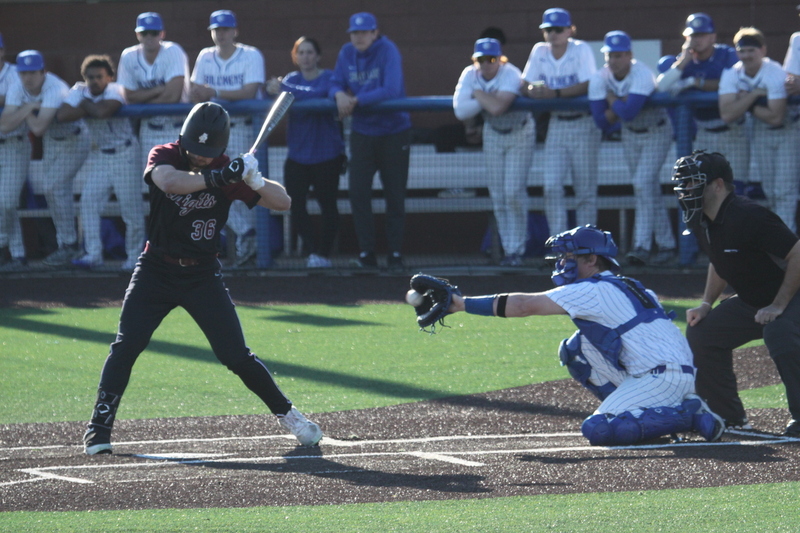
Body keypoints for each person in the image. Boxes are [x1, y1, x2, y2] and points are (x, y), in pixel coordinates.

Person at [82, 101, 322, 455]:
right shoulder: (166, 155)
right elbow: (169, 182)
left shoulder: (227, 169)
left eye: (208, 154)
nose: (199, 157)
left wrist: (254, 179)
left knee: (236, 356)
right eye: (194, 150)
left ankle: (290, 417)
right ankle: (98, 427)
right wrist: (218, 177)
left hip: (202, 275)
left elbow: (283, 202)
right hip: (155, 270)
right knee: (126, 345)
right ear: (183, 139)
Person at [442, 224, 724, 445]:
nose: (563, 263)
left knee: (598, 429)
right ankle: (647, 414)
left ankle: (690, 414)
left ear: (591, 259)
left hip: (661, 377)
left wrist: (462, 304)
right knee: (577, 349)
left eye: (569, 257)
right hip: (667, 369)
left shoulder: (591, 289)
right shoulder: (631, 285)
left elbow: (524, 306)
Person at [674, 150, 800, 436]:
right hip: (755, 301)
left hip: (792, 296)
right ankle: (728, 418)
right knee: (703, 333)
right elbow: (719, 261)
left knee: (779, 332)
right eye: (683, 184)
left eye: (693, 183)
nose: (685, 190)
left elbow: (798, 253)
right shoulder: (700, 217)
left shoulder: (748, 215)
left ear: (717, 185)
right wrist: (706, 303)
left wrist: (779, 304)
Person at [329, 12, 412, 272]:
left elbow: (392, 88)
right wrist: (340, 94)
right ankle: (367, 254)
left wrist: (355, 101)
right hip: (363, 133)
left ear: (375, 33)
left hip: (393, 131)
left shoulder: (387, 50)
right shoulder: (346, 52)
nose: (359, 37)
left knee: (394, 196)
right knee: (358, 194)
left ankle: (395, 255)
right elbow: (334, 82)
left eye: (364, 32)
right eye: (355, 32)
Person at [588, 31, 676, 266]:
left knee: (641, 183)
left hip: (656, 130)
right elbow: (601, 122)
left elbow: (628, 112)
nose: (614, 60)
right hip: (630, 133)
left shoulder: (642, 74)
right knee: (646, 187)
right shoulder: (600, 77)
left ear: (629, 55)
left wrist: (611, 99)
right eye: (610, 55)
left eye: (619, 55)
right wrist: (619, 101)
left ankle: (642, 246)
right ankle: (667, 244)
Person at [0, 50, 90, 268]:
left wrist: (23, 109)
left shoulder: (54, 87)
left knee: (53, 187)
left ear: (43, 72)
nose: (28, 78)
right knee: (55, 191)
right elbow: (4, 125)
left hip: (75, 138)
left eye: (33, 72)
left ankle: (69, 244)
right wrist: (29, 107)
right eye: (23, 73)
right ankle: (66, 244)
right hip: (53, 142)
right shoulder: (17, 86)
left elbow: (38, 128)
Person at [191, 9, 265, 267]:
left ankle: (252, 244)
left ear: (235, 31)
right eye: (216, 29)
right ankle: (245, 237)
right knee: (214, 184)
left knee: (246, 184)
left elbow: (249, 91)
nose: (221, 34)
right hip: (213, 134)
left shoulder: (251, 54)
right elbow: (195, 91)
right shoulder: (204, 56)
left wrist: (215, 91)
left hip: (243, 129)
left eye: (225, 29)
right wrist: (207, 93)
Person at [56, 55, 145, 271]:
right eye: (90, 77)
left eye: (99, 77)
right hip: (101, 157)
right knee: (88, 203)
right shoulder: (79, 88)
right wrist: (89, 104)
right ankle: (93, 254)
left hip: (126, 154)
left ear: (109, 77)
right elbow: (63, 115)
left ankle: (134, 257)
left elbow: (103, 111)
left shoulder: (115, 89)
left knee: (131, 211)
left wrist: (84, 102)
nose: (94, 81)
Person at [454, 38, 534, 267]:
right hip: (493, 133)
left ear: (500, 59)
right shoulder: (469, 74)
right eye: (481, 59)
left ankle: (518, 249)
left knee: (513, 192)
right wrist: (487, 99)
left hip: (520, 131)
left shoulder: (511, 73)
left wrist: (477, 95)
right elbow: (460, 111)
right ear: (475, 60)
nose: (486, 64)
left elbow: (498, 108)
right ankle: (510, 251)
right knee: (498, 195)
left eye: (491, 59)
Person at [266, 37, 345, 269]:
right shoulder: (291, 80)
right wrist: (276, 88)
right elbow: (278, 96)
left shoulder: (330, 78)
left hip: (328, 155)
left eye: (310, 52)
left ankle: (324, 253)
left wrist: (284, 88)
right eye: (301, 53)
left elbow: (320, 92)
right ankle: (312, 252)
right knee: (294, 204)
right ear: (295, 56)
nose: (306, 57)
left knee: (327, 204)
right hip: (298, 156)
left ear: (318, 56)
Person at [521, 7, 600, 238]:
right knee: (551, 187)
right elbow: (525, 83)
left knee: (584, 191)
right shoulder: (539, 50)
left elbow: (588, 83)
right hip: (556, 123)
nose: (553, 34)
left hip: (584, 124)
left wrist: (554, 94)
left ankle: (586, 243)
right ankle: (560, 243)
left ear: (569, 30)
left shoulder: (580, 49)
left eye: (558, 29)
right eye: (548, 30)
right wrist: (532, 91)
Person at [719, 27, 798, 232]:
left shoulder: (775, 72)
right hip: (760, 132)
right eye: (742, 50)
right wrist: (754, 96)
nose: (746, 55)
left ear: (762, 50)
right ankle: (779, 237)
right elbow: (727, 113)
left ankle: (786, 240)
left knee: (785, 191)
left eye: (751, 50)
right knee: (770, 190)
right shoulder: (732, 73)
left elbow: (776, 116)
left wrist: (746, 103)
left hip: (787, 131)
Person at [657, 14, 745, 180]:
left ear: (712, 37)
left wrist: (696, 82)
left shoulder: (727, 54)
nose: (697, 40)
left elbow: (736, 84)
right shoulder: (685, 60)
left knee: (736, 186)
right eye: (693, 35)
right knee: (707, 188)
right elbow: (662, 87)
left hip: (734, 130)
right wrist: (683, 60)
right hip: (704, 132)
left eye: (702, 35)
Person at [117, 12, 190, 168]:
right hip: (148, 129)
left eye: (154, 32)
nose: (149, 36)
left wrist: (143, 98)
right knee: (151, 183)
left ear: (162, 34)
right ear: (138, 34)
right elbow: (129, 98)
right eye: (144, 33)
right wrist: (158, 90)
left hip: (177, 128)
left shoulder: (173, 51)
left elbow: (173, 97)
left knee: (179, 180)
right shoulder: (128, 56)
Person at [0, 32, 27, 272]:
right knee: (3, 204)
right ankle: (16, 253)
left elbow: (11, 101)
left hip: (13, 143)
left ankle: (5, 246)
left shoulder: (15, 73)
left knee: (7, 202)